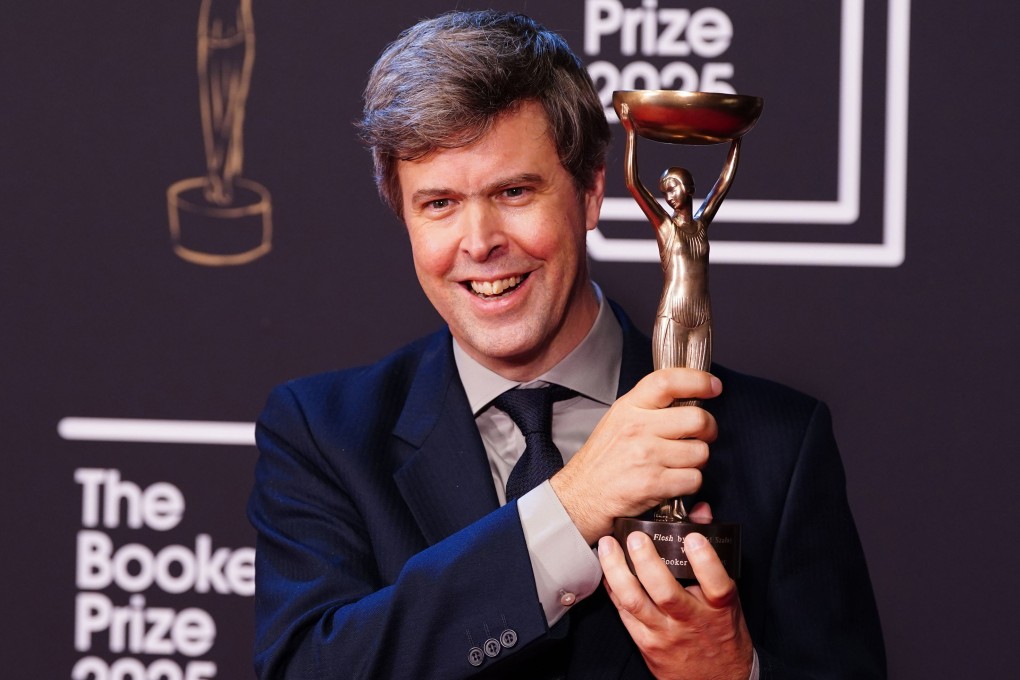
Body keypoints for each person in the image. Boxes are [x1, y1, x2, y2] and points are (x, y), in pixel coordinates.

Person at [248, 10, 885, 679]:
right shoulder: (325, 434)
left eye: (514, 191)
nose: (479, 242)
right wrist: (569, 508)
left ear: (590, 192)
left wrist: (735, 672)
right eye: (438, 204)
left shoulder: (773, 442)